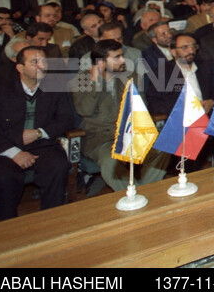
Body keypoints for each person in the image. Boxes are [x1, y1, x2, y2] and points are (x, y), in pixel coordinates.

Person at [0, 46, 72, 221]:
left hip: (42, 144)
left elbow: (66, 119)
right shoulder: (0, 91)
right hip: (7, 147)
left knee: (57, 166)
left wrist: (39, 133)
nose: (42, 66)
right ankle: (9, 224)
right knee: (2, 177)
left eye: (44, 61)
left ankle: (52, 219)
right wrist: (15, 153)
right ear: (20, 68)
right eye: (35, 62)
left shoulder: (55, 88)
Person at [72, 39, 168, 193]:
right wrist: (96, 82)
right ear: (101, 62)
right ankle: (130, 194)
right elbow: (85, 110)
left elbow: (140, 109)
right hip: (100, 137)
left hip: (130, 132)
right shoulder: (82, 79)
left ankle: (145, 191)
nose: (123, 60)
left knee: (163, 147)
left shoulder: (131, 76)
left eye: (122, 55)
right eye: (117, 57)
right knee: (111, 162)